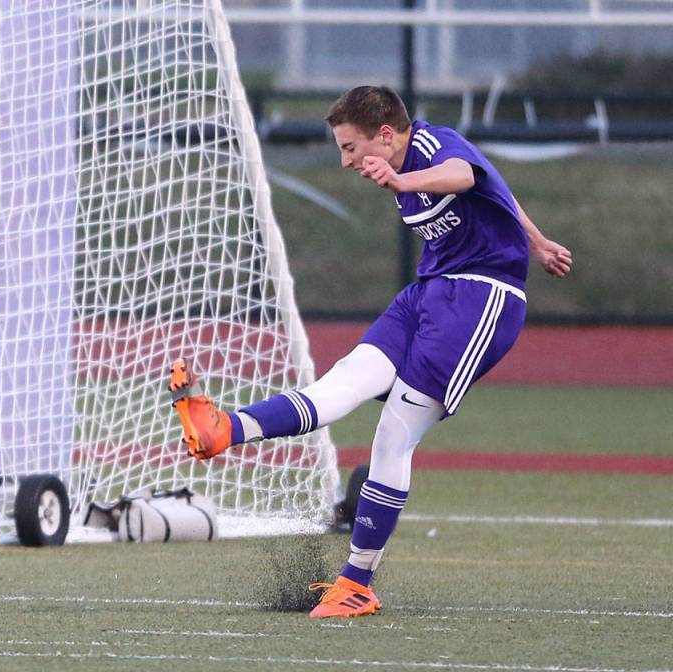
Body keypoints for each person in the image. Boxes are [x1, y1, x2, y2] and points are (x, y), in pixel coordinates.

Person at [169, 85, 572, 619]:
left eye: (351, 147)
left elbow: (469, 176)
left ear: (386, 135)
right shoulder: (408, 163)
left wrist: (403, 179)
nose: (346, 160)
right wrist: (538, 240)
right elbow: (495, 186)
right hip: (427, 294)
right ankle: (224, 429)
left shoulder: (431, 146)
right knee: (342, 382)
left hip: (481, 298)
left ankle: (357, 583)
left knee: (393, 436)